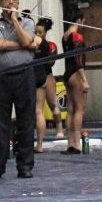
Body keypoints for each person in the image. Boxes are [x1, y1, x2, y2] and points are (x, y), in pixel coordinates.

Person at [0, 0, 39, 180]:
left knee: (26, 121)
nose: (10, 3)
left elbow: (26, 38)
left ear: (18, 2)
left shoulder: (28, 22)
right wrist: (25, 44)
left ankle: (25, 166)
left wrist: (16, 21)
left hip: (24, 75)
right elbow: (1, 45)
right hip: (1, 77)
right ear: (0, 3)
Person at [62, 11, 89, 154]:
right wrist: (84, 80)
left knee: (71, 109)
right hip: (75, 74)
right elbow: (78, 60)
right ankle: (77, 143)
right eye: (83, 22)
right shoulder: (77, 36)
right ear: (79, 20)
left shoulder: (65, 35)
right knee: (80, 108)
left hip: (67, 74)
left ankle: (69, 143)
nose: (83, 25)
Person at [34, 17, 64, 151]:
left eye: (40, 32)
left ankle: (59, 129)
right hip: (40, 76)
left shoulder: (50, 45)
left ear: (45, 33)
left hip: (47, 76)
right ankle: (39, 143)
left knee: (53, 105)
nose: (37, 34)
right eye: (36, 32)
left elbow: (51, 62)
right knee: (38, 109)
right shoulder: (34, 43)